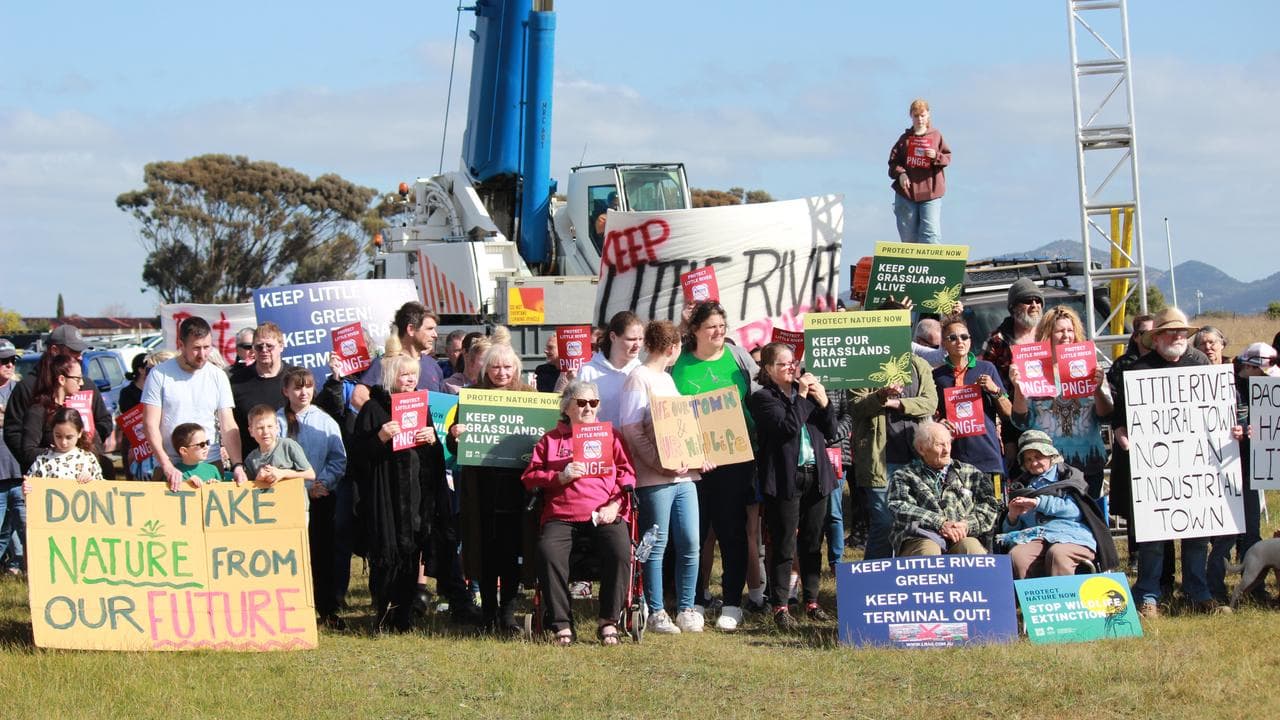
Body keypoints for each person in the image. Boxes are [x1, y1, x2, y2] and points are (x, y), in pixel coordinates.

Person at [1111, 307, 1233, 617]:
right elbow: (1121, 420)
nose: (1177, 336)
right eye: (1170, 332)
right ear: (1156, 338)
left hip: (1196, 466)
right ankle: (1148, 594)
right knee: (1153, 538)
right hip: (1155, 468)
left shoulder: (1201, 363)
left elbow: (1216, 411)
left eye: (1182, 332)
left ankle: (1197, 591)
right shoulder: (1138, 370)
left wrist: (1229, 430)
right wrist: (1123, 436)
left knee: (1197, 534)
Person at [522, 381, 636, 645]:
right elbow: (530, 477)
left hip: (604, 511)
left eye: (593, 403)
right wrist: (559, 476)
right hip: (562, 514)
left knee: (620, 550)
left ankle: (608, 621)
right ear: (567, 407)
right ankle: (561, 623)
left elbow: (627, 474)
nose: (588, 408)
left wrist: (615, 505)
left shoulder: (611, 436)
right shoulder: (551, 440)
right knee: (548, 552)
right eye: (581, 403)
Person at [670, 301, 760, 631]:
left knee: (732, 531)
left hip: (734, 459)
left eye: (722, 326)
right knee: (692, 532)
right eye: (711, 327)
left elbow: (759, 395)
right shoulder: (677, 361)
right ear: (694, 330)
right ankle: (693, 600)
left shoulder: (738, 357)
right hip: (691, 462)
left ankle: (733, 603)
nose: (718, 332)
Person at [618, 320, 706, 634]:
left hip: (684, 477)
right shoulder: (638, 378)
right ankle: (655, 610)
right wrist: (659, 464)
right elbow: (632, 430)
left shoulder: (667, 379)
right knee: (656, 544)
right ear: (672, 348)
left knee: (691, 542)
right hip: (655, 478)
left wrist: (698, 456)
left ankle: (686, 607)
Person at [352, 354, 446, 632]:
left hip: (415, 495)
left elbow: (434, 455)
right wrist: (380, 438)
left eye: (413, 374)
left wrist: (432, 440)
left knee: (412, 552)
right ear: (391, 376)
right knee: (387, 555)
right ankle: (383, 614)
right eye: (404, 374)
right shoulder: (373, 407)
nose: (410, 379)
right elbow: (357, 456)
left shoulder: (420, 405)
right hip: (386, 496)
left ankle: (404, 615)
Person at [449, 343, 537, 632]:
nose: (502, 373)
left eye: (507, 367)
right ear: (486, 368)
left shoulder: (529, 396)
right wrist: (455, 435)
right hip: (482, 488)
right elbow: (455, 445)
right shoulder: (473, 396)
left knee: (511, 552)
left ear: (517, 368)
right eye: (496, 367)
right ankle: (488, 613)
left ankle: (508, 613)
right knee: (485, 552)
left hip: (517, 488)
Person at [747, 342, 837, 629]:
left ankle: (812, 602)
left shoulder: (806, 394)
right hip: (785, 478)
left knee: (812, 542)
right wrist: (803, 397)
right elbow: (787, 428)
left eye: (793, 363)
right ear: (768, 368)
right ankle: (780, 605)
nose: (791, 368)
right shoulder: (763, 398)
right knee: (784, 543)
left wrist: (824, 402)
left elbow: (832, 431)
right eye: (784, 364)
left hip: (816, 475)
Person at [850, 301, 938, 560]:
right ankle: (873, 579)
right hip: (880, 460)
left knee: (915, 525)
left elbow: (930, 403)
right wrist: (880, 396)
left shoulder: (919, 365)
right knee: (885, 523)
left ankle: (905, 574)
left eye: (902, 324)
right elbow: (856, 406)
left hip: (916, 458)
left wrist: (896, 403)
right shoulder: (863, 364)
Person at [1007, 306, 1111, 497]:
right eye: (1060, 331)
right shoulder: (1033, 369)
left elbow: (1107, 416)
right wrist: (1018, 390)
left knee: (1089, 514)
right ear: (1047, 334)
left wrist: (1096, 390)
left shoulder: (1090, 366)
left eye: (1070, 330)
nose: (1066, 336)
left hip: (1089, 463)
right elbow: (1021, 422)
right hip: (1048, 467)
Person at [141, 317, 248, 491]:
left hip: (210, 464)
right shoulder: (159, 375)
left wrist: (237, 464)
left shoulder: (218, 376)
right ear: (181, 345)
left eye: (207, 347)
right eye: (196, 348)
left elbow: (228, 424)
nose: (202, 354)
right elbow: (150, 424)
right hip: (171, 465)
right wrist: (166, 465)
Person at [278, 366, 348, 627]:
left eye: (308, 387)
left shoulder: (325, 421)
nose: (303, 392)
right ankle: (291, 607)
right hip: (287, 500)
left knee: (322, 555)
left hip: (320, 499)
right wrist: (301, 487)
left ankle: (327, 609)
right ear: (286, 391)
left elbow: (338, 459)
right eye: (297, 387)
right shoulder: (277, 422)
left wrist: (323, 483)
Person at [1208, 342, 1275, 604]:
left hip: (1250, 470)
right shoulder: (1226, 386)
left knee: (1252, 531)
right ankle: (1215, 590)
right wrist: (1236, 429)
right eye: (1262, 373)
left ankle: (1253, 590)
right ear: (1249, 366)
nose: (1266, 379)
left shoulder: (1266, 389)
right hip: (1222, 469)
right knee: (1225, 534)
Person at [1000, 430, 1117, 578]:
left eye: (1038, 457)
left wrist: (1039, 503)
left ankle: (1066, 594)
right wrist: (1012, 517)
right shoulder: (1021, 486)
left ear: (1050, 455)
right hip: (1035, 536)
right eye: (1028, 459)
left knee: (1057, 554)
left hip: (1071, 534)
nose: (1033, 463)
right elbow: (1010, 530)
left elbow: (1075, 511)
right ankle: (1036, 594)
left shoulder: (1068, 477)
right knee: (1018, 556)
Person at [4, 325, 113, 475]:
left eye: (81, 352)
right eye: (74, 351)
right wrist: (52, 458)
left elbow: (104, 421)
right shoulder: (29, 388)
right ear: (54, 350)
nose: (80, 357)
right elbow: (13, 433)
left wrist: (87, 445)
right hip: (47, 477)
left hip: (86, 473)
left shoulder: (86, 385)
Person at [888, 421, 998, 556]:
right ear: (921, 449)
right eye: (939, 445)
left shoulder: (970, 472)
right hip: (921, 536)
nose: (946, 450)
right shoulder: (905, 475)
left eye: (948, 443)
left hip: (962, 535)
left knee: (971, 549)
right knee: (929, 551)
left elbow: (990, 505)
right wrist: (939, 523)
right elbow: (899, 506)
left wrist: (967, 525)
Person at [931, 315, 1011, 494]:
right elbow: (932, 417)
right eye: (953, 337)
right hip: (954, 464)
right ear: (944, 344)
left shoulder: (987, 368)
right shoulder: (937, 377)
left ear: (970, 340)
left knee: (996, 509)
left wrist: (994, 390)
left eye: (964, 337)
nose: (959, 341)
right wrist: (939, 424)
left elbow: (1008, 413)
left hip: (989, 461)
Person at [1106, 313, 1153, 563]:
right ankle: (1135, 553)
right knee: (1135, 500)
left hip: (1162, 442)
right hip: (1131, 442)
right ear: (1135, 336)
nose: (1151, 337)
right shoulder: (1121, 366)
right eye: (1146, 332)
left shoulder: (1164, 363)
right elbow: (1114, 405)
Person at [981, 278, 1045, 459]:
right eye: (1027, 301)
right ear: (1013, 307)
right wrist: (1006, 435)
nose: (1034, 305)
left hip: (1051, 419)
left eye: (1038, 300)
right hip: (1014, 422)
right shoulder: (997, 341)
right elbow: (989, 391)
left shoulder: (1049, 334)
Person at [559, 311, 644, 428]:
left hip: (634, 439)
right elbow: (575, 414)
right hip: (598, 438)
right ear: (613, 337)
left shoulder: (642, 372)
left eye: (641, 339)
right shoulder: (588, 371)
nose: (637, 344)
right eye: (631, 339)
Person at [888, 98, 951, 244]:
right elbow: (893, 163)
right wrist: (901, 173)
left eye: (922, 115)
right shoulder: (904, 139)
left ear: (928, 115)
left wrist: (936, 156)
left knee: (931, 234)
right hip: (907, 193)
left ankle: (932, 259)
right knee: (908, 237)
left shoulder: (936, 136)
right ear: (911, 116)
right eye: (916, 116)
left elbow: (947, 158)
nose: (920, 119)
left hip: (931, 193)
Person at [229, 323, 298, 456]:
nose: (264, 350)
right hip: (252, 461)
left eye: (269, 346)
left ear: (281, 346)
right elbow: (231, 426)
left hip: (293, 459)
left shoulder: (295, 377)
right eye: (259, 347)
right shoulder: (237, 382)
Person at [357, 302, 443, 405]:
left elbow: (442, 405)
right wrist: (384, 415)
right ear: (411, 329)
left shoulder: (433, 365)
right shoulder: (385, 363)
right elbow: (358, 397)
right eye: (430, 329)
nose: (435, 335)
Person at [17, 355, 88, 470]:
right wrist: (55, 451)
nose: (82, 383)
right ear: (62, 379)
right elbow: (28, 452)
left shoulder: (71, 408)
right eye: (77, 379)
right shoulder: (38, 411)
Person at [22, 407, 103, 487]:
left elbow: (101, 488)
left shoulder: (88, 459)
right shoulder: (43, 460)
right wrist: (26, 488)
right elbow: (31, 488)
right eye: (58, 436)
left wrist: (91, 481)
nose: (63, 442)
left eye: (69, 437)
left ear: (80, 433)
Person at [243, 404, 314, 487]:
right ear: (251, 431)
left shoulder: (288, 446)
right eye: (260, 428)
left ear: (277, 428)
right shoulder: (251, 459)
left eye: (270, 426)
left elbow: (310, 474)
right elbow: (248, 487)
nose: (266, 432)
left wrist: (283, 473)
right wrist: (258, 480)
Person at [156, 423, 223, 485]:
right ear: (184, 451)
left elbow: (222, 492)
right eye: (201, 444)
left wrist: (216, 485)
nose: (206, 447)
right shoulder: (174, 473)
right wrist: (187, 484)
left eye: (207, 442)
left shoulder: (212, 469)